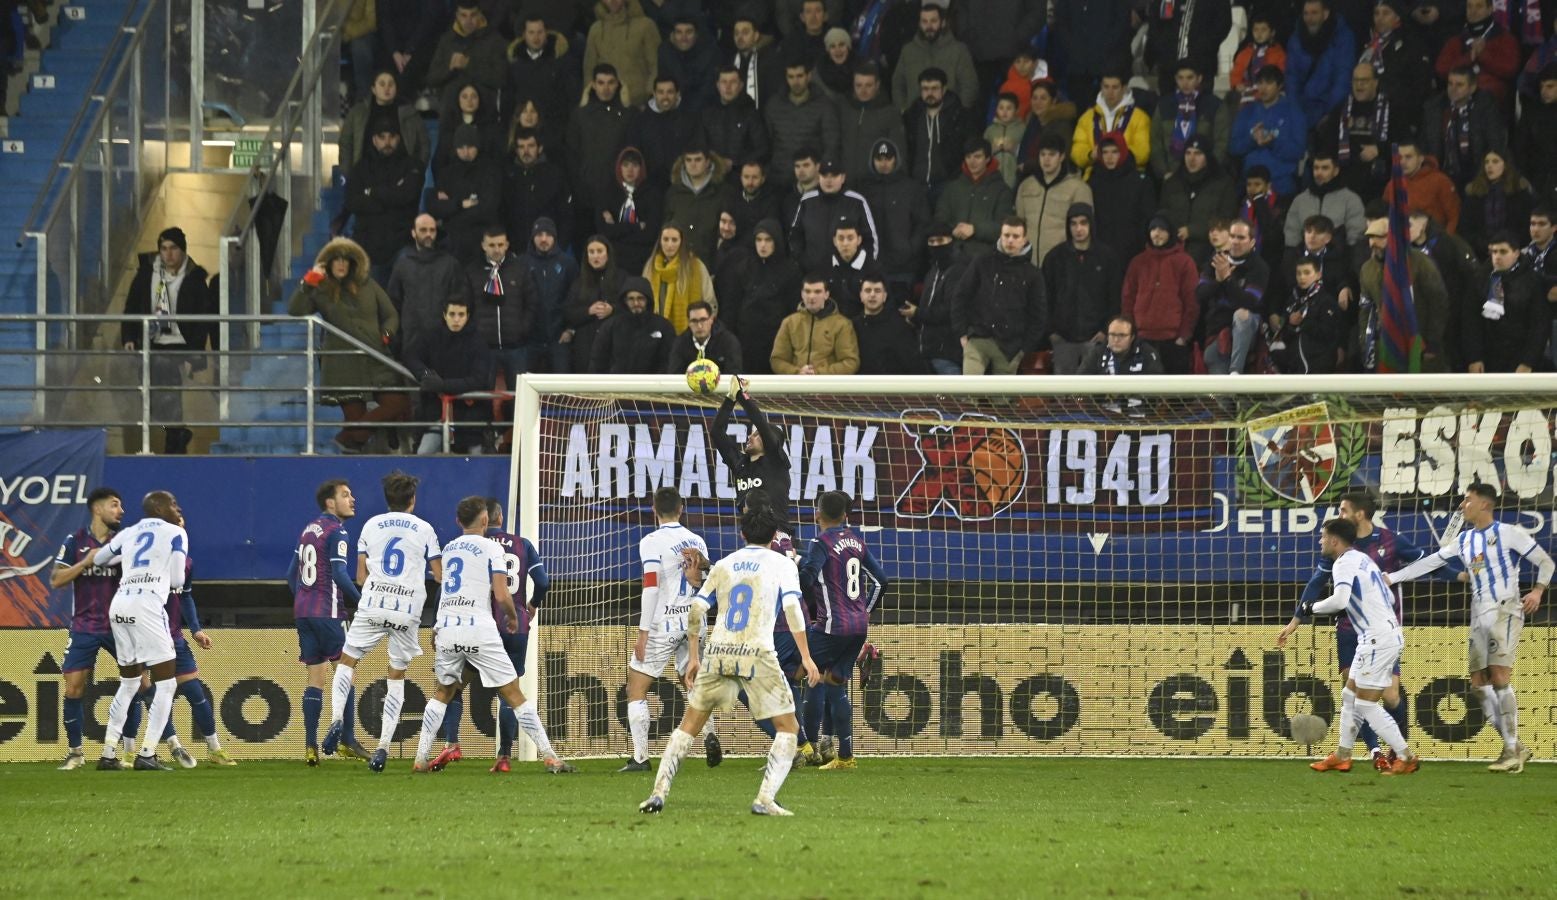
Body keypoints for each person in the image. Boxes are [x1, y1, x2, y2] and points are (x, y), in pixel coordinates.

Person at [638, 503, 821, 816]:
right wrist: (807, 656)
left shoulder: (725, 564)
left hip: (719, 651)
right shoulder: (782, 564)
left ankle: (657, 794)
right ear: (774, 534)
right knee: (788, 728)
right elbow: (792, 610)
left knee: (688, 726)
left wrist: (694, 657)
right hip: (757, 652)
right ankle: (764, 799)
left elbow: (696, 609)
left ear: (742, 533)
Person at [1386, 484, 1554, 772]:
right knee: (1478, 685)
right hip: (1479, 612)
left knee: (1500, 676)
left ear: (1485, 505)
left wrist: (1537, 591)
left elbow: (1545, 562)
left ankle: (1512, 751)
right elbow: (1429, 563)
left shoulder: (1508, 533)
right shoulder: (1464, 540)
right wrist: (1394, 577)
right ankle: (1515, 746)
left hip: (1505, 608)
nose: (1463, 504)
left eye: (1468, 499)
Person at [413, 497, 574, 774]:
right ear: (485, 521)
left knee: (443, 692)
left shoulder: (450, 548)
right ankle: (550, 756)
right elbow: (501, 594)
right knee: (513, 693)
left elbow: (445, 590)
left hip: (448, 628)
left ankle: (420, 757)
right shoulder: (490, 547)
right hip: (479, 628)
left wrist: (438, 625)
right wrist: (512, 617)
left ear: (458, 521)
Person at [1278, 492, 1430, 769]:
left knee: (1366, 705)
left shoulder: (1344, 563)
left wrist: (1310, 609)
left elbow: (1340, 601)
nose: (1320, 541)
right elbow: (1392, 598)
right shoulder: (1363, 559)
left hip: (1377, 640)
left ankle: (1406, 756)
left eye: (1323, 537)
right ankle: (1343, 755)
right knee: (1350, 696)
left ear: (1335, 540)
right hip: (1378, 636)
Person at [322, 472, 443, 772]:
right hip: (407, 608)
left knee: (347, 661)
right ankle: (382, 748)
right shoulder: (425, 529)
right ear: (412, 500)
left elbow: (361, 577)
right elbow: (440, 575)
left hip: (374, 603)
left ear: (387, 499)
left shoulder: (370, 525)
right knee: (396, 676)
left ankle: (337, 718)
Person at [92, 491, 188, 771]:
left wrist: (127, 562)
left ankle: (108, 753)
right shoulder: (175, 532)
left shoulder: (130, 532)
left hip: (120, 604)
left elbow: (99, 559)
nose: (177, 507)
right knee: (167, 683)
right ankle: (147, 754)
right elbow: (178, 579)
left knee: (130, 682)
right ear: (158, 507)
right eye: (172, 503)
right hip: (147, 604)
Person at [288, 239, 408, 454]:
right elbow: (296, 310)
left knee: (397, 402)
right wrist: (309, 281)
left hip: (376, 355)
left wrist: (386, 335)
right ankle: (351, 452)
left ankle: (346, 436)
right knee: (355, 426)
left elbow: (390, 314)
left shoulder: (368, 284)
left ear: (353, 263)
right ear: (328, 263)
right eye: (336, 260)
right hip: (343, 363)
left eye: (346, 260)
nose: (341, 264)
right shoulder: (320, 289)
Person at [621, 486, 710, 772]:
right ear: (681, 510)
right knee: (696, 681)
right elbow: (704, 582)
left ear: (654, 511)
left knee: (636, 689)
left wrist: (643, 632)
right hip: (695, 620)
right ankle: (711, 736)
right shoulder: (696, 540)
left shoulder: (652, 541)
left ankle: (640, 758)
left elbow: (650, 587)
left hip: (664, 623)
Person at [797, 490, 887, 771]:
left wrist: (793, 567)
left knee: (798, 672)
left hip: (830, 627)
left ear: (817, 514)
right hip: (858, 627)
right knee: (834, 683)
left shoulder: (820, 542)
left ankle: (805, 746)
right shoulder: (857, 541)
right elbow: (882, 581)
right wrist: (864, 611)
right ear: (845, 515)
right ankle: (844, 756)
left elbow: (806, 580)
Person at [122, 227, 215, 455]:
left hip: (179, 344)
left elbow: (202, 320)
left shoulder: (194, 279)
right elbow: (132, 307)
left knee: (167, 389)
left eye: (173, 248)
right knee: (151, 398)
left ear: (182, 250)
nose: (168, 254)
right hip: (151, 340)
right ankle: (175, 432)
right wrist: (129, 337)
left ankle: (174, 438)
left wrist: (195, 354)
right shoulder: (146, 275)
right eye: (164, 249)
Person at [55, 488, 127, 770]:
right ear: (97, 509)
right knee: (73, 688)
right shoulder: (75, 541)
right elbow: (56, 578)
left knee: (137, 683)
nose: (120, 511)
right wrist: (85, 562)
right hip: (84, 626)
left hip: (119, 626)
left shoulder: (122, 543)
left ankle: (133, 752)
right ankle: (75, 753)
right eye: (115, 505)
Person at [480, 497, 552, 772]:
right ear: (500, 519)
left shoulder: (477, 546)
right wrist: (531, 606)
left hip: (483, 624)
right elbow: (544, 581)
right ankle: (504, 755)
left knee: (453, 684)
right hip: (517, 625)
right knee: (510, 692)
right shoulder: (523, 545)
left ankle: (450, 743)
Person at [953, 216, 1046, 375]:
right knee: (969, 392)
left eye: (1015, 236)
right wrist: (961, 332)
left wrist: (1023, 349)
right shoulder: (982, 262)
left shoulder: (1033, 275)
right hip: (977, 339)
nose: (1010, 240)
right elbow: (960, 295)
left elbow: (1039, 316)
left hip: (1010, 347)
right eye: (1006, 235)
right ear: (1000, 236)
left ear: (1024, 240)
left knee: (1001, 399)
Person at [404, 297, 496, 453]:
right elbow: (411, 356)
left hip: (471, 417)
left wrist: (442, 385)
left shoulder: (478, 342)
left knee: (477, 461)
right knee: (423, 454)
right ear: (444, 315)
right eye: (452, 314)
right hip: (436, 413)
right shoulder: (431, 336)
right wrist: (426, 375)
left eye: (461, 314)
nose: (456, 319)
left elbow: (479, 380)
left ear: (468, 316)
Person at [345, 116, 426, 289]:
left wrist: (372, 192)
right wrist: (391, 197)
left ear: (399, 138)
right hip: (368, 246)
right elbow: (353, 202)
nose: (387, 142)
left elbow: (408, 196)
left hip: (401, 243)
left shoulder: (412, 165)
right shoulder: (361, 168)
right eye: (382, 137)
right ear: (374, 140)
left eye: (392, 137)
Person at [1044, 203, 1122, 374]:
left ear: (1091, 224)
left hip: (1096, 338)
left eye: (1083, 223)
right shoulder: (1055, 258)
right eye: (1073, 224)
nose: (1078, 229)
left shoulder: (1107, 258)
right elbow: (1045, 298)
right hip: (1062, 339)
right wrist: (1052, 332)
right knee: (1064, 394)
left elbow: (1114, 298)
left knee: (1094, 392)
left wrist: (1105, 330)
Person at [711, 375, 794, 527]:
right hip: (751, 538)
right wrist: (730, 398)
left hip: (778, 538)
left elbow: (760, 423)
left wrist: (741, 395)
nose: (750, 436)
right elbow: (717, 432)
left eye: (757, 435)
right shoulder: (739, 463)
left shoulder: (776, 462)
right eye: (752, 433)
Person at [1464, 232, 1553, 372]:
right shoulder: (1479, 279)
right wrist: (1474, 357)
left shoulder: (1532, 281)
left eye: (1503, 252)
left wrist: (1528, 362)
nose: (1497, 256)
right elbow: (1471, 322)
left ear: (1516, 253)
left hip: (1520, 358)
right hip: (1488, 359)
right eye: (1494, 252)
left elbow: (1539, 326)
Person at [1122, 214, 1199, 374]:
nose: (1157, 233)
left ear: (1171, 232)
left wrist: (1183, 336)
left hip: (1173, 340)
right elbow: (1127, 299)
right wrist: (1130, 333)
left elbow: (1192, 301)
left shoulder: (1184, 262)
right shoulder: (1138, 262)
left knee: (1175, 396)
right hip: (1142, 339)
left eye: (1162, 229)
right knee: (1141, 394)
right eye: (1153, 229)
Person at [1198, 219, 1269, 374]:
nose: (1235, 241)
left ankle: (1235, 373)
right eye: (1232, 236)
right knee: (1221, 395)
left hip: (1247, 333)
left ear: (1251, 242)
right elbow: (1199, 295)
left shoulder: (1259, 267)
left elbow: (1249, 302)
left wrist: (1228, 280)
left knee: (1242, 314)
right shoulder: (1216, 261)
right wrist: (1218, 281)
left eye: (1241, 237)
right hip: (1217, 333)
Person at [1420, 66, 1509, 190]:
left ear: (1472, 88)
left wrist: (1482, 178)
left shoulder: (1486, 108)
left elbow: (1495, 144)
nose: (1453, 89)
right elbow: (1424, 146)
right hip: (1441, 175)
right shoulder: (1435, 108)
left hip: (1477, 175)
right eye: (1450, 83)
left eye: (1459, 85)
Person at [1158, 136, 1238, 267]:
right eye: (1188, 153)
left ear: (1207, 156)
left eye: (1198, 153)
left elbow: (1227, 220)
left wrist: (1192, 231)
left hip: (1208, 253)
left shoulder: (1223, 184)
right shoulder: (1172, 183)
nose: (1192, 158)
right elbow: (1162, 215)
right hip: (1172, 251)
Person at [428, 124, 503, 264]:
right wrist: (461, 204)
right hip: (452, 247)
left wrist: (450, 216)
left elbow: (488, 209)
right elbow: (433, 206)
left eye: (470, 147)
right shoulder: (446, 174)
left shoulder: (490, 172)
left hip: (481, 245)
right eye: (461, 148)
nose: (466, 152)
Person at [1015, 132, 1093, 266]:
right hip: (1029, 262)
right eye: (1042, 154)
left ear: (1062, 156)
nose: (1046, 159)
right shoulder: (1026, 185)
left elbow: (1085, 230)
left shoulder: (1078, 188)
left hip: (1063, 264)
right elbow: (1019, 224)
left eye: (1051, 154)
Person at [789, 159, 879, 274]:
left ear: (842, 178)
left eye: (834, 176)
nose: (829, 180)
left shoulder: (857, 201)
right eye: (824, 175)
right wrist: (802, 263)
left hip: (849, 276)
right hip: (813, 276)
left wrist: (865, 268)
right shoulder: (807, 201)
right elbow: (795, 235)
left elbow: (870, 239)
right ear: (819, 177)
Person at [1228, 66, 1306, 198]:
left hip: (1281, 185)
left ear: (1280, 85)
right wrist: (1252, 140)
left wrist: (1272, 143)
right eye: (1260, 83)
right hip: (1250, 185)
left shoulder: (1293, 112)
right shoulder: (1247, 111)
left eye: (1269, 83)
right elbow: (1233, 147)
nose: (1263, 88)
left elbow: (1298, 151)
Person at [340, 69, 431, 179]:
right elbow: (346, 143)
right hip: (365, 175)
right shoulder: (357, 113)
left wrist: (417, 171)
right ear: (373, 89)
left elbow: (424, 144)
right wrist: (349, 174)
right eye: (382, 84)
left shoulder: (410, 114)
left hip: (401, 177)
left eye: (391, 84)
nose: (387, 88)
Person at [1149, 59, 1231, 182]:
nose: (1185, 83)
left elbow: (1222, 142)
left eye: (1190, 77)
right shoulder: (1164, 105)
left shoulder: (1214, 105)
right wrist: (1164, 172)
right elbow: (1155, 141)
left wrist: (1208, 171)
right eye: (1180, 78)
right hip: (1171, 174)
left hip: (1205, 176)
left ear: (1199, 78)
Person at [764, 57, 841, 187]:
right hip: (779, 179)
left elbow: (831, 145)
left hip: (812, 182)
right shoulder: (773, 105)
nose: (795, 81)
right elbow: (767, 143)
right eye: (791, 77)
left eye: (799, 76)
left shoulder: (824, 105)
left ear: (809, 76)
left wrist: (820, 174)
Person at [902, 67, 972, 204]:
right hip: (917, 184)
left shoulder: (959, 116)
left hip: (948, 185)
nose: (930, 93)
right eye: (925, 89)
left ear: (944, 89)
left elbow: (968, 147)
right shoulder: (911, 116)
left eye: (934, 88)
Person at [891, 2, 978, 112]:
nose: (929, 26)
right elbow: (897, 85)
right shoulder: (907, 51)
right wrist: (904, 110)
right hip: (915, 121)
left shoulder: (959, 50)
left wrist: (957, 114)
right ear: (919, 23)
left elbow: (970, 87)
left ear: (943, 23)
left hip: (949, 121)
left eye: (933, 21)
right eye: (924, 21)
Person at [935, 137, 1013, 259]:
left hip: (985, 259)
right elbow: (940, 219)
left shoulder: (1001, 190)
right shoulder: (953, 187)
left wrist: (975, 229)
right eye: (968, 157)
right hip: (953, 256)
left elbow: (1005, 227)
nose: (972, 161)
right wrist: (952, 229)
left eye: (977, 157)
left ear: (987, 159)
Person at [1285, 0, 1356, 128]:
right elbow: (1292, 78)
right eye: (1306, 13)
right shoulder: (1295, 40)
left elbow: (1343, 78)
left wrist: (1328, 113)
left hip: (1330, 112)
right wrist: (1295, 112)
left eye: (1314, 13)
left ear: (1326, 14)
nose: (1309, 18)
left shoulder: (1343, 37)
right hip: (1301, 111)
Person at [770, 275, 861, 375]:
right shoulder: (789, 323)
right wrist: (797, 372)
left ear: (826, 294)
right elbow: (777, 360)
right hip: (796, 387)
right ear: (802, 294)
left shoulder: (842, 324)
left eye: (817, 292)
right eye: (807, 291)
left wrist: (818, 373)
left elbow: (850, 362)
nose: (812, 296)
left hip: (827, 388)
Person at [1266, 257, 1344, 373]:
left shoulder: (1326, 301)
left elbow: (1328, 334)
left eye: (1307, 273)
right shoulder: (1293, 300)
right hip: (1294, 358)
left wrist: (1304, 322)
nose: (1302, 277)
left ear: (1318, 275)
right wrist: (1291, 325)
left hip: (1318, 357)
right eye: (1299, 273)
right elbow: (1284, 334)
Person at [505, 14, 577, 134]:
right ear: (524, 35)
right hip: (522, 134)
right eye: (531, 32)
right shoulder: (514, 67)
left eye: (540, 32)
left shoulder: (561, 64)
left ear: (546, 33)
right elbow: (509, 101)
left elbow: (568, 99)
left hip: (554, 130)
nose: (536, 37)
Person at [562, 235, 625, 373]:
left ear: (608, 254)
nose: (595, 256)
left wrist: (612, 309)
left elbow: (631, 308)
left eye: (599, 251)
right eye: (591, 252)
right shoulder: (579, 282)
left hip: (614, 346)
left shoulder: (622, 278)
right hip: (585, 347)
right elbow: (568, 312)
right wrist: (588, 311)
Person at [1086, 137, 1155, 262]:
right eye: (1105, 152)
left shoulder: (1140, 182)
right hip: (1100, 252)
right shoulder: (1093, 182)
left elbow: (1146, 217)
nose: (1109, 157)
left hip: (1133, 251)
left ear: (1123, 152)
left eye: (1114, 152)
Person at [1070, 72, 1151, 176]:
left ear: (1124, 88)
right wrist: (1090, 155)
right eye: (1106, 87)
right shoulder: (1087, 117)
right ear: (1101, 87)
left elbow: (1143, 153)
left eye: (1115, 87)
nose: (1110, 92)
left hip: (1128, 177)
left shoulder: (1140, 117)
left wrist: (1116, 154)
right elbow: (1076, 150)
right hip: (1094, 177)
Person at [582, 0, 660, 108]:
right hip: (605, 106)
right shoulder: (596, 30)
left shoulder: (646, 26)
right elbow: (589, 70)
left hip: (639, 105)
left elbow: (656, 65)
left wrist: (650, 97)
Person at [663, 145, 733, 262]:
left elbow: (727, 234)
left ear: (707, 162)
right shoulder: (673, 193)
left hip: (711, 264)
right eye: (688, 160)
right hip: (678, 263)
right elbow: (665, 228)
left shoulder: (723, 192)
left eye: (698, 159)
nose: (693, 164)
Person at [1283, 152, 1366, 251]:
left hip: (1339, 260)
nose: (1319, 173)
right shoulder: (1300, 200)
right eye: (1316, 168)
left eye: (1325, 168)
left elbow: (1356, 237)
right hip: (1305, 260)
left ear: (1335, 171)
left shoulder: (1351, 199)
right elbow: (1292, 236)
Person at [591, 277, 675, 373]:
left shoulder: (663, 326)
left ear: (648, 300)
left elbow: (669, 361)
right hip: (618, 385)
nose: (636, 303)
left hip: (653, 385)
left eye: (640, 298)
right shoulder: (611, 326)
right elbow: (598, 361)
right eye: (631, 299)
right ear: (625, 301)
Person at [841, 62, 907, 184]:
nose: (863, 90)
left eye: (868, 85)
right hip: (846, 184)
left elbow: (899, 153)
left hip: (876, 185)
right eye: (858, 85)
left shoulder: (890, 114)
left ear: (877, 85)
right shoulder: (845, 111)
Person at [1460, 152, 1536, 257]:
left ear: (1506, 165)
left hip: (1514, 251)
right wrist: (1483, 245)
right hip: (1481, 253)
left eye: (1495, 161)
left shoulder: (1519, 192)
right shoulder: (1474, 193)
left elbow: (1526, 224)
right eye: (1486, 162)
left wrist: (1508, 245)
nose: (1489, 166)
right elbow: (1466, 227)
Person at [425, 1, 508, 97]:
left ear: (480, 14)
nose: (468, 21)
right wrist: (449, 69)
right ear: (457, 16)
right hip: (450, 104)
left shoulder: (495, 40)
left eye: (473, 15)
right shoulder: (447, 40)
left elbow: (501, 80)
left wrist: (468, 65)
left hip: (483, 103)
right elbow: (431, 79)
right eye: (463, 15)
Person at [701, 65, 771, 169]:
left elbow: (762, 149)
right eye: (724, 82)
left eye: (733, 82)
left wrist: (735, 163)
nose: (728, 87)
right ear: (717, 85)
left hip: (743, 176)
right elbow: (700, 145)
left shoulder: (751, 113)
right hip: (712, 173)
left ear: (741, 86)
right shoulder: (707, 114)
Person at [852, 276, 922, 374]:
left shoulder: (900, 327)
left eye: (877, 291)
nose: (872, 295)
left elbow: (913, 364)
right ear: (861, 296)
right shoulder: (851, 326)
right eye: (868, 290)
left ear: (884, 296)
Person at [657, 17, 719, 113]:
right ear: (673, 35)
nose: (683, 38)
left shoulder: (709, 54)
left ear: (696, 35)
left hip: (703, 111)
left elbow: (707, 91)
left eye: (689, 32)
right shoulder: (665, 52)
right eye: (679, 32)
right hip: (673, 110)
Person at [666, 299, 742, 374]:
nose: (699, 326)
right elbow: (674, 375)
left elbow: (734, 374)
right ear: (688, 322)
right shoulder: (680, 343)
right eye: (694, 321)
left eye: (703, 320)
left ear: (711, 319)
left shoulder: (728, 342)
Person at [1080, 315, 1164, 374]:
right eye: (1112, 335)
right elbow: (1081, 382)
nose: (1116, 340)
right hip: (1103, 399)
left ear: (1132, 337)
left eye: (1122, 335)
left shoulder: (1148, 353)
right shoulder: (1097, 353)